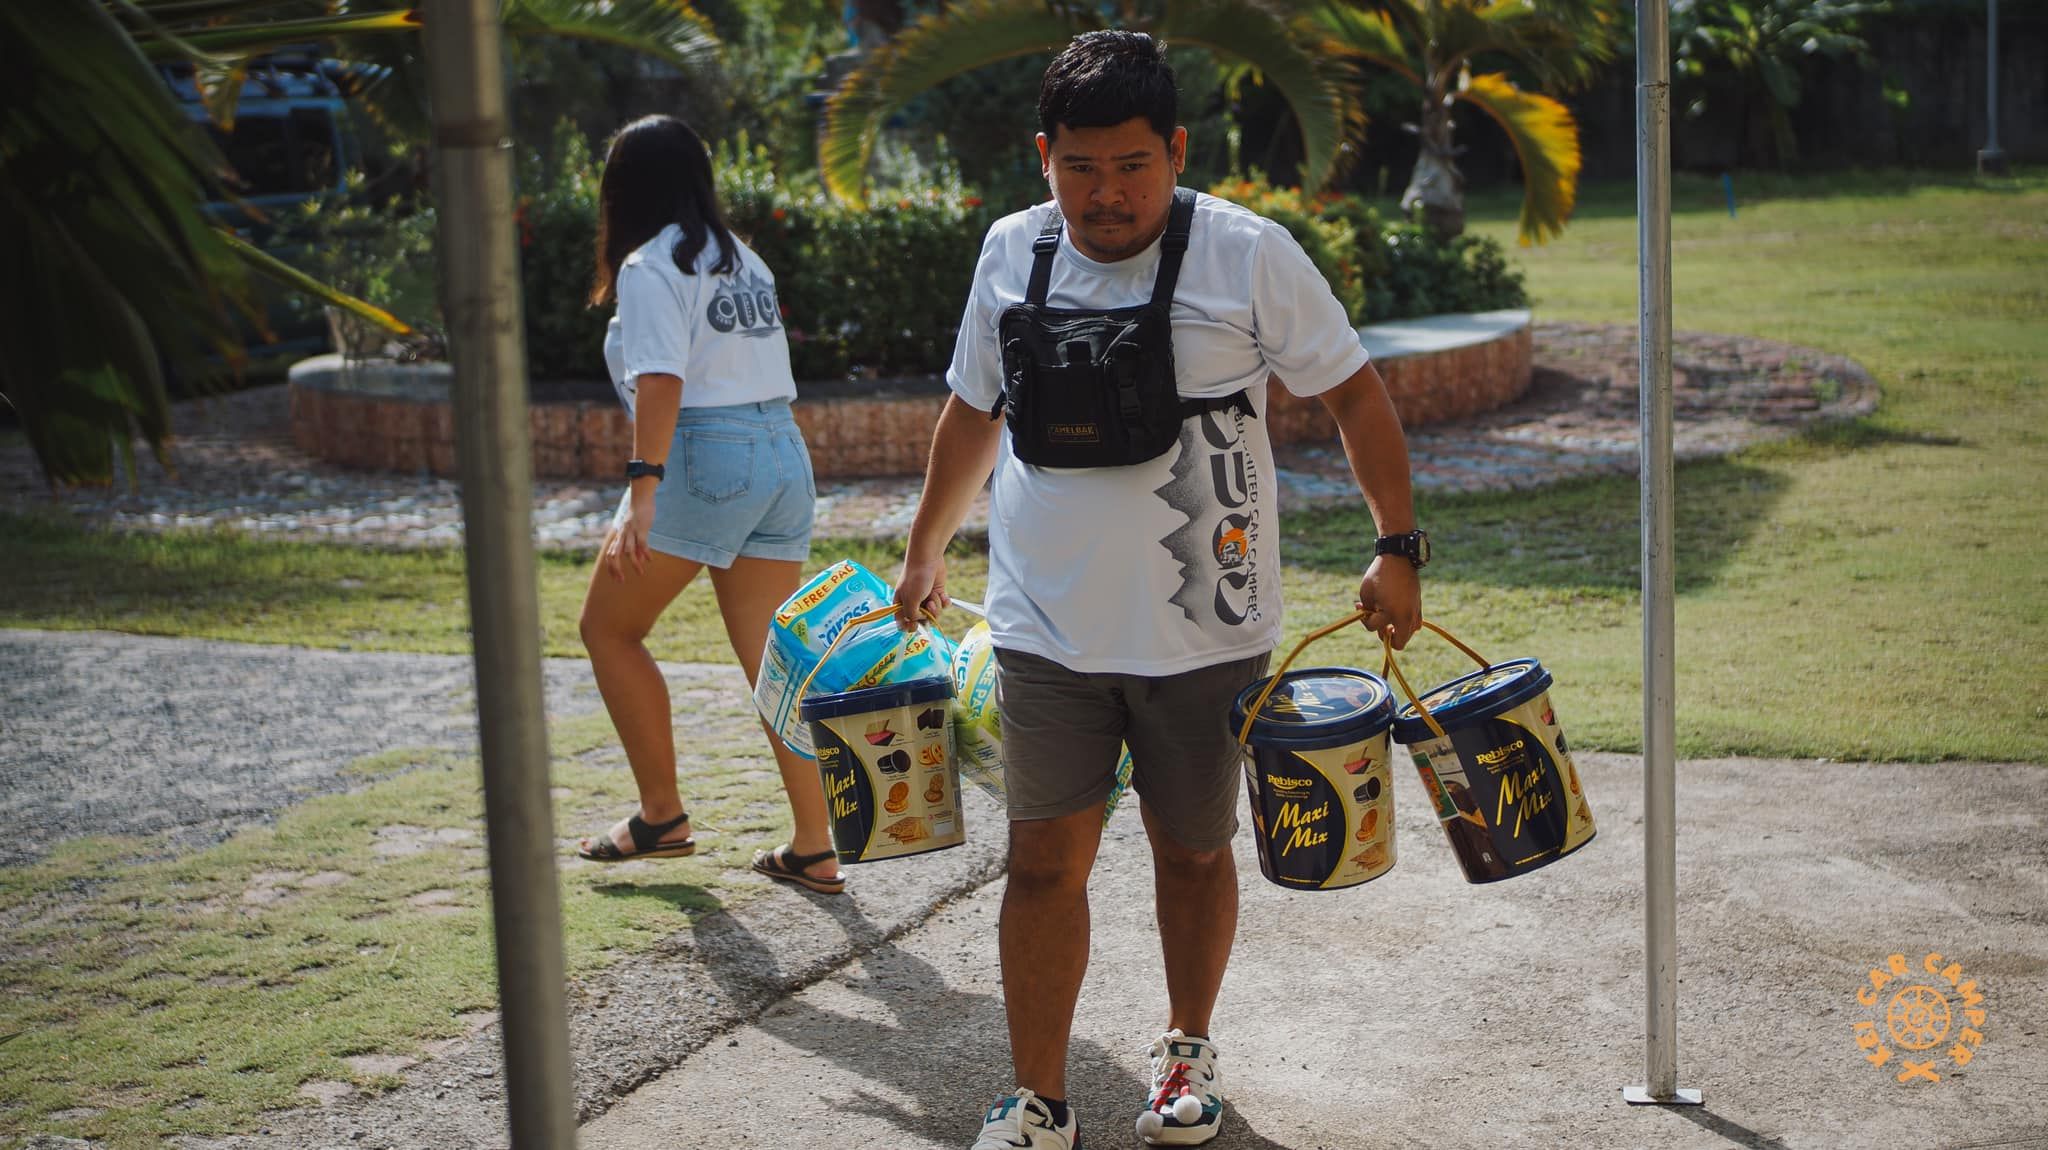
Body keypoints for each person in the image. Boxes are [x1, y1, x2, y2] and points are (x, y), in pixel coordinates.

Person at [892, 32, 1427, 1149]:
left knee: (1191, 848)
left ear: (1175, 150)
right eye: (1079, 168)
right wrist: (924, 545)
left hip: (1207, 625)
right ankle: (1036, 1096)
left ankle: (1185, 1054)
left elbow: (1355, 395)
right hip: (1045, 626)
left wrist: (1396, 545)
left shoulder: (1245, 253)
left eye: (1132, 165)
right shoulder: (1009, 252)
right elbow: (969, 411)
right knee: (1043, 860)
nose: (1106, 193)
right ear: (1043, 156)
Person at [574, 114, 843, 897]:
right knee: (772, 661)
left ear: (621, 189)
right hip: (780, 451)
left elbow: (662, 380)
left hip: (707, 452)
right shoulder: (744, 260)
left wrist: (640, 491)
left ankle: (662, 817)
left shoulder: (650, 264)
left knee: (607, 629)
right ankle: (814, 846)